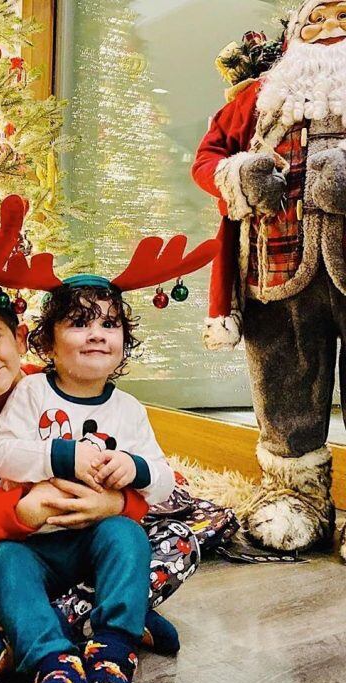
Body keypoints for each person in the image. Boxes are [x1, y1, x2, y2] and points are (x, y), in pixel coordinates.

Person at [0, 276, 175, 683]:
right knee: (0, 560)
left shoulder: (128, 410)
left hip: (96, 542)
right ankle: (54, 666)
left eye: (109, 324)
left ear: (124, 344)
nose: (96, 333)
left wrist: (134, 467)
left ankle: (111, 660)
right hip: (36, 544)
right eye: (79, 322)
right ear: (47, 342)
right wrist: (61, 455)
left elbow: (165, 483)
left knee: (129, 537)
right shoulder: (31, 393)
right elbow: (0, 454)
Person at [192, 1, 346, 554]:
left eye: (342, 20)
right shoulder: (258, 99)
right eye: (316, 22)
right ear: (293, 39)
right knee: (283, 386)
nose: (329, 31)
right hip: (274, 271)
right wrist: (240, 174)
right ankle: (294, 494)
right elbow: (208, 157)